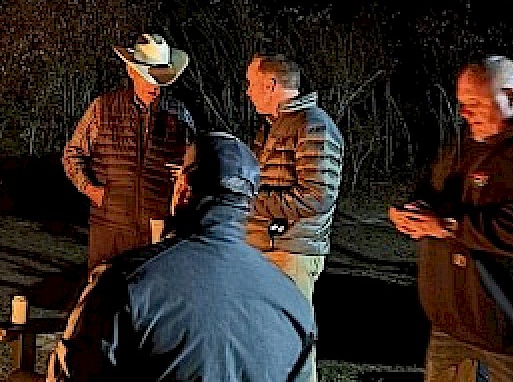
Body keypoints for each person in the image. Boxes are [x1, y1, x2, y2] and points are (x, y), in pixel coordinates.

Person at [46, 131, 317, 382]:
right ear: (249, 202)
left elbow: (72, 371)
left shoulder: (127, 281)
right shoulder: (293, 304)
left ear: (183, 188)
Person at [388, 55, 513, 381]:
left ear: (510, 96)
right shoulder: (464, 144)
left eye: (475, 103)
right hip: (451, 328)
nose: (464, 113)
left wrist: (448, 226)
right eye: (462, 103)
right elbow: (434, 189)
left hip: (510, 334)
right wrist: (414, 210)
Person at [244, 53, 342, 382]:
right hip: (268, 247)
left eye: (251, 84)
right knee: (265, 337)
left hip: (291, 251)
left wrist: (253, 200)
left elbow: (317, 197)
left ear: (271, 85)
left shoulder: (313, 126)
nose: (247, 92)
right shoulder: (274, 128)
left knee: (291, 338)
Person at [62, 33, 197, 269]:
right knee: (104, 298)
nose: (153, 85)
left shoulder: (179, 115)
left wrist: (183, 182)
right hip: (109, 227)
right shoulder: (103, 108)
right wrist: (92, 190)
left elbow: (194, 169)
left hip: (158, 232)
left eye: (159, 79)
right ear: (131, 72)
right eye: (148, 77)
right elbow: (73, 154)